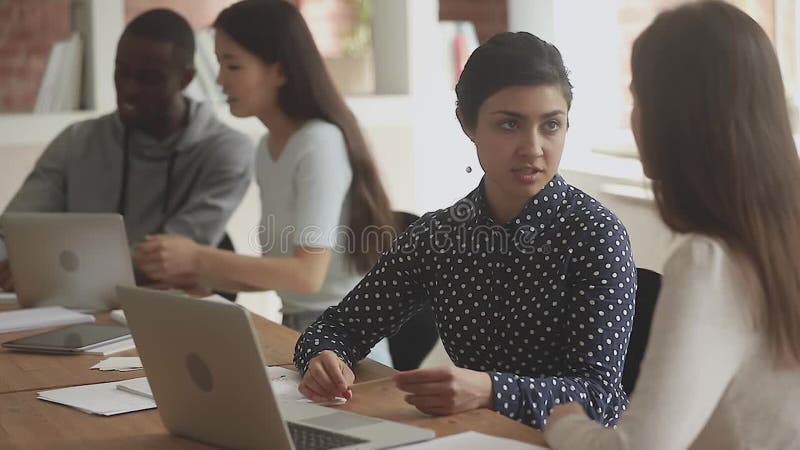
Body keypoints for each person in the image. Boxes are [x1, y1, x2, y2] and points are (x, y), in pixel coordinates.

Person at [293, 31, 637, 430]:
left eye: (551, 125)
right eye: (510, 124)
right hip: (472, 436)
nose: (533, 147)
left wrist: (491, 389)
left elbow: (599, 398)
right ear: (467, 124)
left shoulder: (596, 235)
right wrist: (325, 358)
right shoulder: (441, 234)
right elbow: (338, 327)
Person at [544, 2, 800, 448]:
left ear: (677, 119)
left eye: (637, 97)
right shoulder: (779, 239)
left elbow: (642, 447)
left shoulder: (711, 262)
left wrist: (563, 422)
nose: (634, 117)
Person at [133, 0, 396, 334]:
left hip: (345, 340)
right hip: (299, 329)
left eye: (233, 66)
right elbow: (281, 275)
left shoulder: (318, 142)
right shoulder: (267, 148)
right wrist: (190, 272)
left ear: (280, 70)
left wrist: (198, 257)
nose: (220, 80)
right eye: (219, 64)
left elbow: (305, 275)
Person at [0, 9, 254, 290]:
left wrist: (43, 268)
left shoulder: (226, 151)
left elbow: (165, 261)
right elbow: (12, 230)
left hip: (167, 312)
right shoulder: (77, 140)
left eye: (148, 78)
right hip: (73, 306)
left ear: (186, 79)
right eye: (122, 72)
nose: (129, 89)